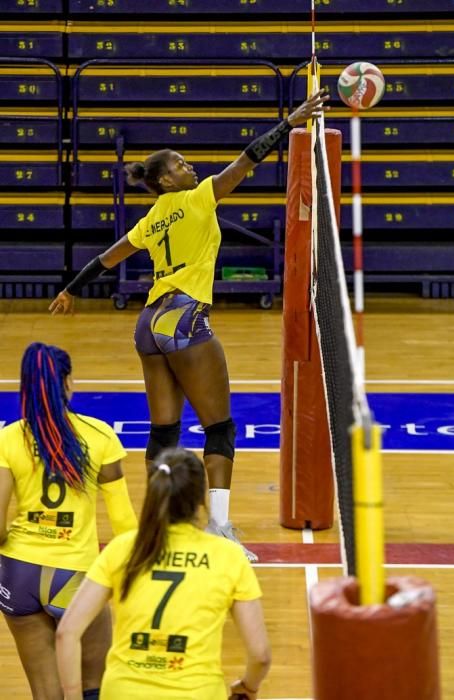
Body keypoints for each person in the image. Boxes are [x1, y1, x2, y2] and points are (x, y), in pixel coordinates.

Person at [49, 88, 330, 562]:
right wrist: (292, 122)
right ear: (163, 180)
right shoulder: (199, 198)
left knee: (164, 432)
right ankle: (219, 528)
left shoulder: (149, 220)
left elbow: (107, 258)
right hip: (184, 317)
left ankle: (157, 526)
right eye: (178, 164)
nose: (189, 166)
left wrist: (70, 288)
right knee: (219, 427)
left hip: (148, 323)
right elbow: (246, 160)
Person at [56, 447, 271, 700]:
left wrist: (72, 695)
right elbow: (260, 655)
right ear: (200, 500)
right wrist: (248, 686)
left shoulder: (124, 548)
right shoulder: (228, 556)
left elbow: (66, 633)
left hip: (123, 692)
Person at [0, 341, 138, 700]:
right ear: (69, 383)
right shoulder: (99, 435)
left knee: (46, 695)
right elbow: (124, 523)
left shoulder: (8, 438)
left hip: (18, 573)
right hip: (75, 576)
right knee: (94, 688)